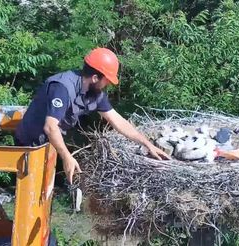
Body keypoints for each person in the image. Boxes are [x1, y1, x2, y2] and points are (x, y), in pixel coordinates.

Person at [15, 47, 170, 184]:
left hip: (49, 146)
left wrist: (148, 144)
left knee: (44, 196)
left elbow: (118, 122)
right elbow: (50, 127)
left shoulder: (94, 94)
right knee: (31, 196)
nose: (107, 85)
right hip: (29, 146)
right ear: (95, 78)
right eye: (106, 80)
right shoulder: (62, 87)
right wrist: (67, 157)